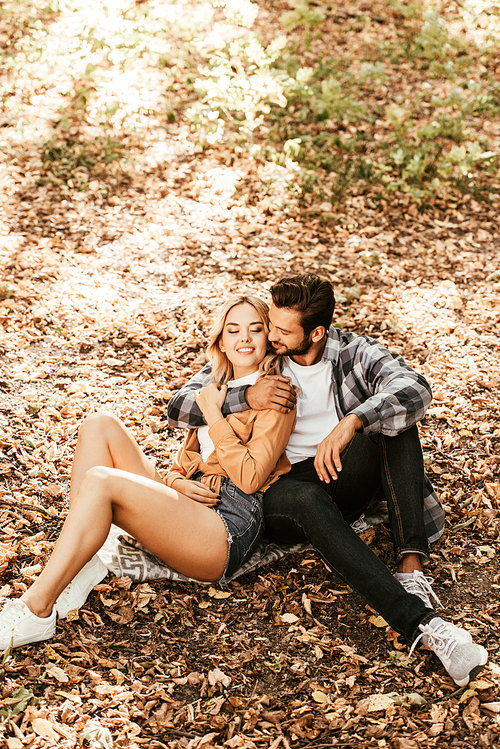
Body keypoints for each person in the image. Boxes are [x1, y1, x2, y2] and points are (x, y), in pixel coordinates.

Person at [167, 274, 488, 687]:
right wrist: (247, 398)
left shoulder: (353, 353)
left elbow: (414, 388)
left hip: (337, 467)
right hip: (279, 483)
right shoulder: (261, 358)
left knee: (395, 423)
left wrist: (352, 422)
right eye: (270, 324)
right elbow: (180, 406)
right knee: (305, 501)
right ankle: (422, 625)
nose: (269, 334)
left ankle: (410, 565)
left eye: (282, 329)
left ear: (316, 332)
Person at [0, 295, 295, 650]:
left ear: (269, 338)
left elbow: (250, 478)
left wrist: (215, 417)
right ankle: (82, 562)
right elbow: (182, 462)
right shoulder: (213, 390)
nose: (244, 338)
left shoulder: (277, 395)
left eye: (255, 329)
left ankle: (37, 611)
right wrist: (176, 483)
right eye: (233, 330)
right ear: (221, 341)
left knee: (101, 481)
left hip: (225, 526)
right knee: (99, 424)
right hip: (190, 500)